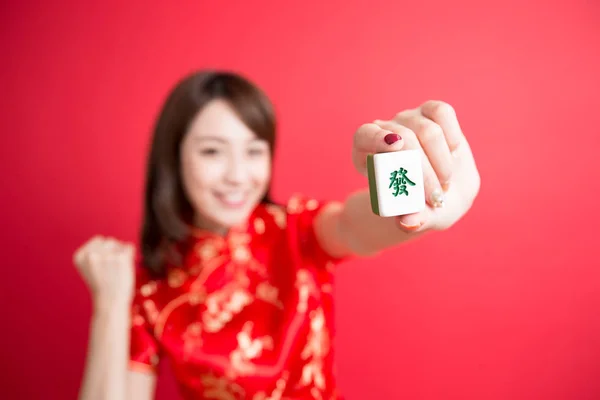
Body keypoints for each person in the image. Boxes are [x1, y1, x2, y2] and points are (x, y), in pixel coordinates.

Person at [73, 70, 481, 400]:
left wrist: (418, 196)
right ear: (174, 157)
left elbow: (361, 225)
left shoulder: (296, 232)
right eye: (213, 151)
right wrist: (110, 302)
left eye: (254, 150)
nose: (237, 175)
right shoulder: (149, 287)